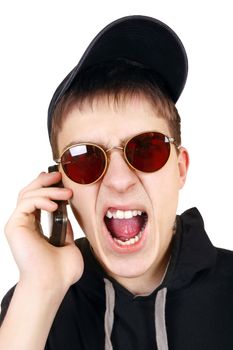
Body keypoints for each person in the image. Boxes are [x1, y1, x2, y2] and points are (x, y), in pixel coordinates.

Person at [0, 14, 233, 350]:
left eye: (146, 149)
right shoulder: (36, 307)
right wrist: (41, 287)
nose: (120, 181)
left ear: (180, 169)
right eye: (85, 159)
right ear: (59, 187)